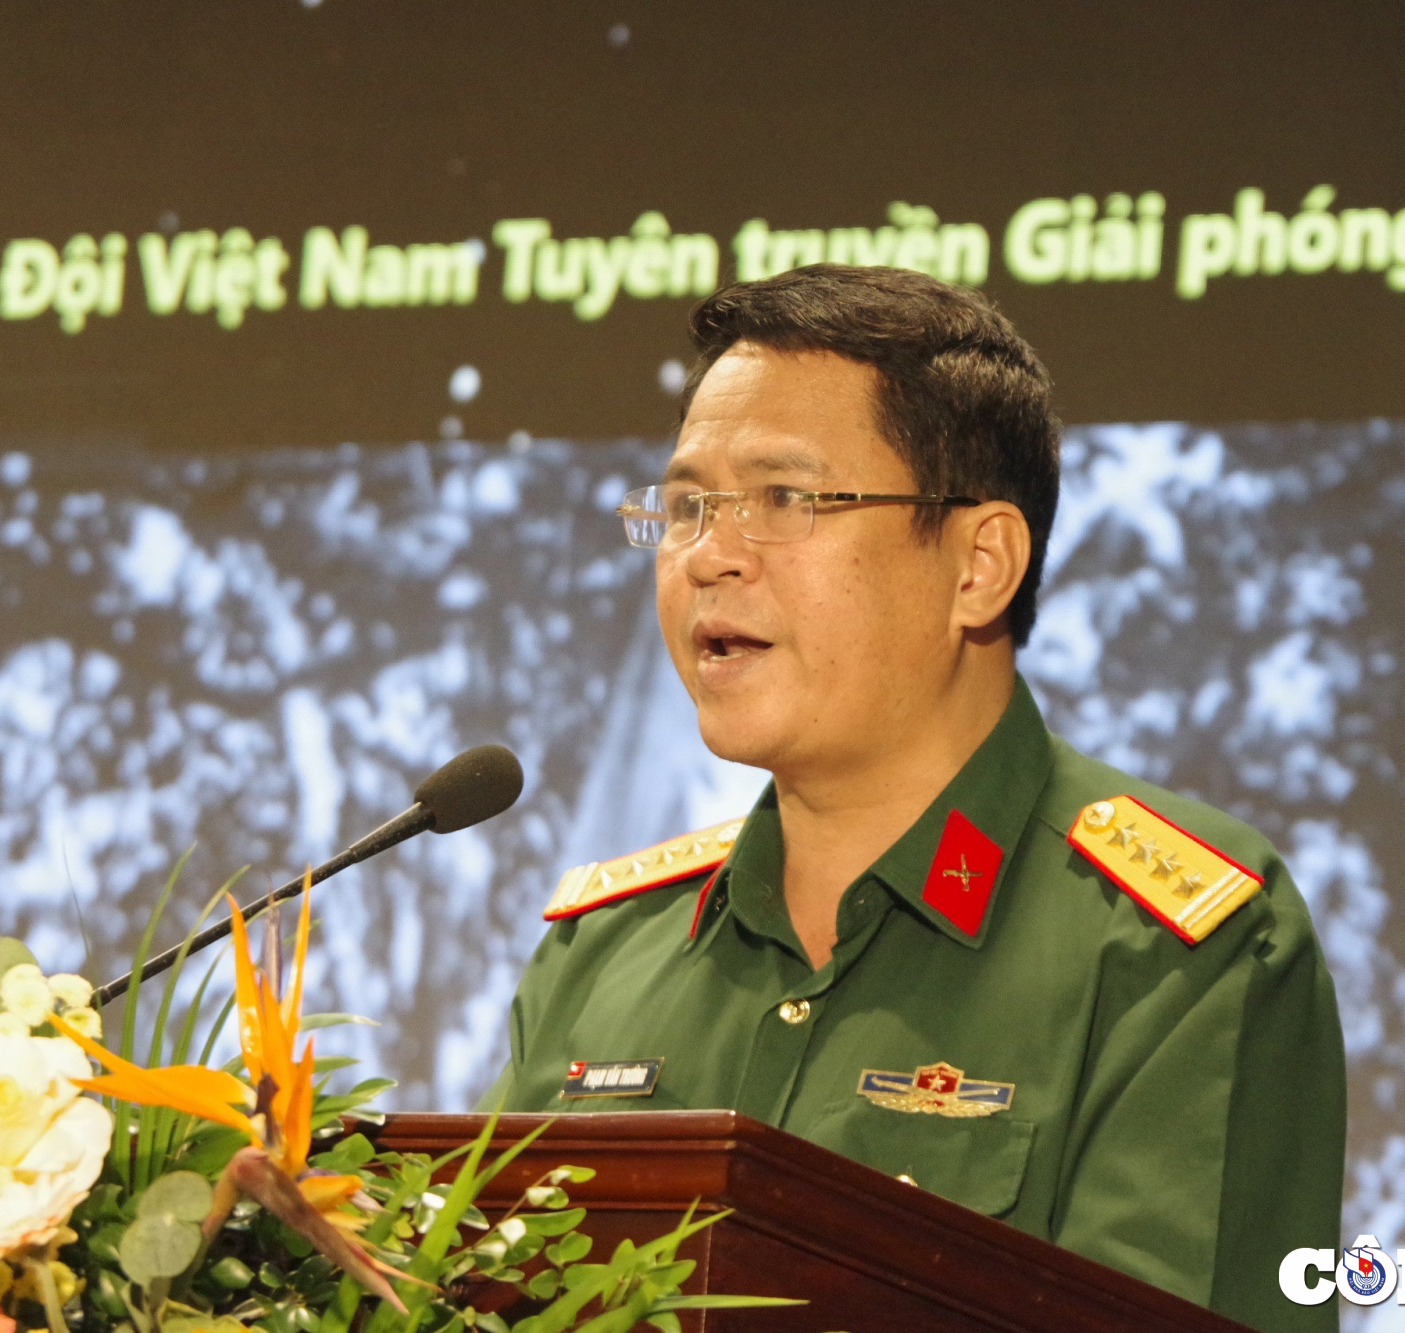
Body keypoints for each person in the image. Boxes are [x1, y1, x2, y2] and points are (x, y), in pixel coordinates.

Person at [480, 264, 1344, 1332]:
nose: (708, 557)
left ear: (978, 564)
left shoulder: (1175, 952)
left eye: (785, 500)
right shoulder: (605, 952)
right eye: (687, 505)